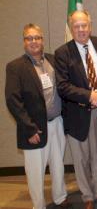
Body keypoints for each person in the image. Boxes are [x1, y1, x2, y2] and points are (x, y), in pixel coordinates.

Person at [5, 24, 69, 209]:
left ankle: (60, 197)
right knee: (35, 171)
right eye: (29, 38)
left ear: (43, 39)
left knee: (58, 164)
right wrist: (29, 128)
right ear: (24, 42)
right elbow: (13, 101)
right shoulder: (15, 67)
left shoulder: (53, 60)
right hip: (35, 128)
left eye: (37, 37)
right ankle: (39, 205)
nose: (34, 42)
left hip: (57, 122)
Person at [54, 10, 97, 209]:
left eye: (84, 25)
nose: (81, 29)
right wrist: (89, 96)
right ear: (71, 28)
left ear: (90, 25)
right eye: (76, 26)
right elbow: (63, 86)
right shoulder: (62, 53)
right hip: (77, 114)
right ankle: (87, 196)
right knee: (80, 159)